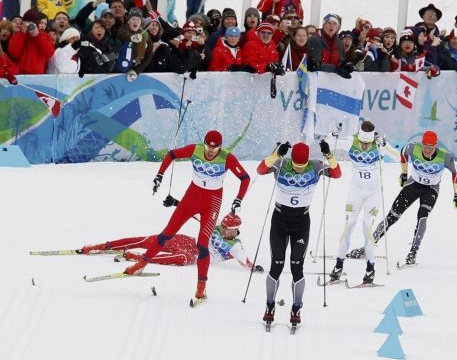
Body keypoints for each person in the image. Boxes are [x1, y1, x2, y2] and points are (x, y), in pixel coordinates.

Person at [124, 130, 250, 302]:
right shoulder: (195, 149)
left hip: (212, 203)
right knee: (166, 234)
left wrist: (238, 199)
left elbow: (245, 178)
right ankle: (141, 264)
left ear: (221, 147)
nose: (211, 151)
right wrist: (160, 175)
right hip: (191, 198)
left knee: (202, 245)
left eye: (216, 148)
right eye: (208, 147)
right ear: (204, 143)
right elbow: (171, 155)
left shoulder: (228, 158)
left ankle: (201, 288)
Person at [257, 140, 341, 326]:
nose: (299, 169)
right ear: (291, 161)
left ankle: (296, 308)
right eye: (296, 166)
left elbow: (337, 174)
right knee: (276, 266)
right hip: (279, 220)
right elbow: (260, 170)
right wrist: (277, 154)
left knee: (297, 268)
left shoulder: (316, 166)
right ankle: (270, 305)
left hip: (301, 223)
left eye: (302, 166)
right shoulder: (280, 164)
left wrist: (329, 155)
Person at [348, 130, 457, 265]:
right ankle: (366, 248)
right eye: (425, 146)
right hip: (413, 185)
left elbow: (456, 173)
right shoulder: (413, 148)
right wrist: (404, 174)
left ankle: (412, 253)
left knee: (423, 215)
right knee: (392, 216)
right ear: (422, 143)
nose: (427, 150)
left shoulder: (445, 157)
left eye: (431, 147)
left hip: (431, 189)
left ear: (436, 146)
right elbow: (403, 153)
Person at [325, 121, 392, 285]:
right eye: (362, 142)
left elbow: (396, 155)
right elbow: (328, 144)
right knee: (349, 225)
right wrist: (334, 133)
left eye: (367, 143)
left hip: (373, 194)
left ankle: (370, 270)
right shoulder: (351, 141)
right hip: (355, 192)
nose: (363, 146)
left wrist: (384, 144)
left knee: (367, 227)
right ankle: (338, 266)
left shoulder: (377, 145)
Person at [82, 213, 261, 271]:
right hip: (188, 241)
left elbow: (245, 261)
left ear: (235, 230)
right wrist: (175, 202)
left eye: (226, 228)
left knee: (180, 258)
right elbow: (193, 213)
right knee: (149, 240)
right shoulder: (215, 226)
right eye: (222, 225)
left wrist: (254, 268)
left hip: (196, 255)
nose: (222, 229)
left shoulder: (235, 246)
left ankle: (135, 257)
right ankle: (100, 246)